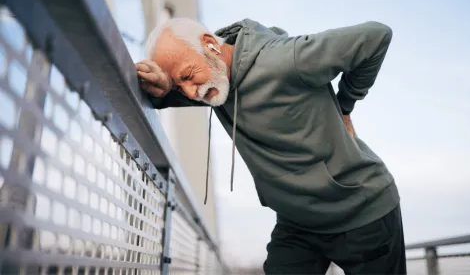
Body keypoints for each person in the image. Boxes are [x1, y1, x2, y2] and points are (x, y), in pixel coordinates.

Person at [136, 18, 406, 274]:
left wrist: (345, 104)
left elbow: (376, 36)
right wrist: (168, 83)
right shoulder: (211, 82)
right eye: (181, 86)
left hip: (362, 212)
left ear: (210, 44)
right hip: (297, 223)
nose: (193, 93)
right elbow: (157, 96)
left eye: (187, 76)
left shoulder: (284, 60)